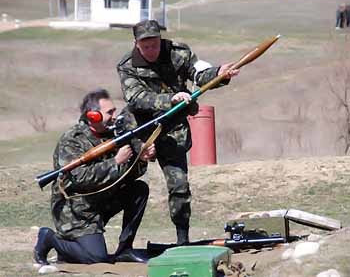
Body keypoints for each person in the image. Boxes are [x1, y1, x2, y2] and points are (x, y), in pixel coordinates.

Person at [116, 19, 240, 245]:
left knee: (180, 187)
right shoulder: (127, 65)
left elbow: (198, 75)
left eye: (155, 44)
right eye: (146, 47)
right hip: (138, 131)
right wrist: (170, 100)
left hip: (172, 130)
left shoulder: (179, 53)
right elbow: (136, 98)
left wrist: (219, 74)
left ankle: (182, 240)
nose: (151, 50)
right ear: (136, 45)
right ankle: (121, 244)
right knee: (121, 182)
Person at [33, 88, 156, 265]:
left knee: (139, 189)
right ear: (93, 116)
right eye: (109, 112)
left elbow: (125, 176)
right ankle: (50, 239)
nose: (115, 116)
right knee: (96, 258)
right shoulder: (73, 140)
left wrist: (141, 159)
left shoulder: (113, 135)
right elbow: (80, 178)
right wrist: (115, 162)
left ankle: (125, 249)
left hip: (100, 201)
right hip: (76, 209)